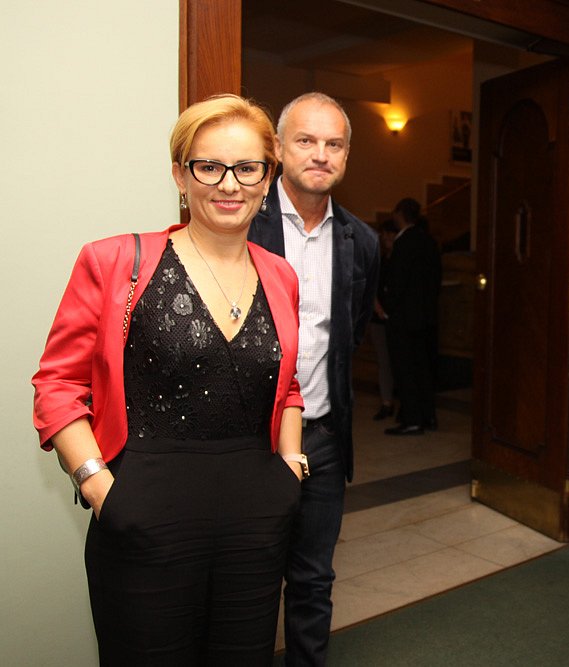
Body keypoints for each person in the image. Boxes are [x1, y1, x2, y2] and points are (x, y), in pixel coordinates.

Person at [32, 94, 306, 665]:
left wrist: (290, 467)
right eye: (209, 166)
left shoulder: (281, 275)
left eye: (247, 168)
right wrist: (98, 487)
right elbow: (58, 385)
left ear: (267, 179)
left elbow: (287, 386)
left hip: (256, 520)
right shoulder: (115, 261)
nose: (229, 184)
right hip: (143, 512)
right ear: (180, 175)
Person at [248, 92, 379, 666]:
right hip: (248, 440)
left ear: (347, 156)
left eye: (334, 144)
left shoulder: (362, 241)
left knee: (312, 580)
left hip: (322, 440)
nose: (320, 154)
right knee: (246, 584)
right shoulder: (242, 222)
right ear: (278, 148)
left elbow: (350, 334)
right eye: (306, 140)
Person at [381, 197, 442, 436]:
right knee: (423, 369)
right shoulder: (429, 241)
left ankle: (412, 419)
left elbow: (397, 282)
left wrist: (387, 308)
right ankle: (428, 416)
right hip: (426, 318)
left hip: (404, 319)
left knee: (405, 370)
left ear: (399, 215)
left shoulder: (403, 243)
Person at [371, 218, 400, 421]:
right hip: (379, 317)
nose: (387, 238)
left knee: (397, 360)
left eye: (391, 234)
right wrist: (377, 307)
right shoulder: (379, 260)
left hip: (397, 317)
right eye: (385, 234)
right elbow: (372, 285)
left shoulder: (400, 259)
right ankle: (386, 402)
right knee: (384, 361)